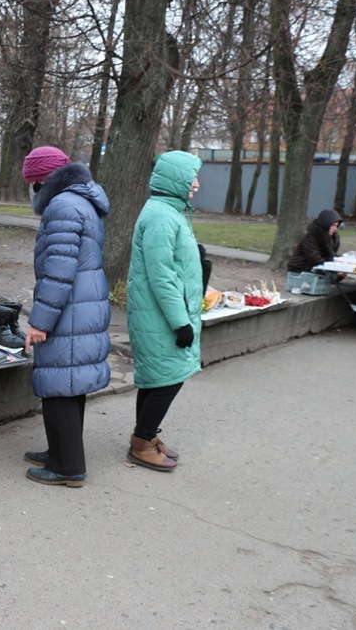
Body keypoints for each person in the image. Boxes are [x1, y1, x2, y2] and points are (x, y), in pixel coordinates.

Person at [20, 147, 111, 488]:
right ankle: (60, 452)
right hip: (83, 305)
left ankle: (68, 467)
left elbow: (59, 271)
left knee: (58, 385)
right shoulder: (82, 201)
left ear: (42, 179)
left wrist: (40, 321)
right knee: (72, 384)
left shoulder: (61, 206)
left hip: (69, 310)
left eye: (33, 183)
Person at [125, 150, 204, 472]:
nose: (197, 185)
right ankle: (142, 443)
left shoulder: (169, 212)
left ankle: (144, 438)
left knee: (158, 379)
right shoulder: (161, 216)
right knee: (167, 380)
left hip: (160, 315)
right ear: (175, 180)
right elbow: (161, 276)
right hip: (161, 317)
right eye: (192, 178)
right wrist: (181, 322)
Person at [287, 209, 343, 273]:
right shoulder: (310, 238)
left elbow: (330, 255)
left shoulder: (331, 238)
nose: (335, 229)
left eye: (336, 226)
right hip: (301, 269)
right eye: (333, 225)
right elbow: (315, 260)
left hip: (314, 266)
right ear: (326, 224)